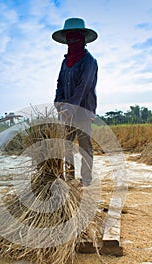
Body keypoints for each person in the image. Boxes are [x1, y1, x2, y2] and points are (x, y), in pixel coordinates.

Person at [52, 18, 98, 188]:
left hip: (83, 111)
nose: (72, 42)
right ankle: (69, 178)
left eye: (75, 38)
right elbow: (59, 84)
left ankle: (86, 180)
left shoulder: (89, 61)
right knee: (66, 145)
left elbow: (83, 87)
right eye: (69, 38)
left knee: (84, 146)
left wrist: (70, 108)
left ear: (83, 39)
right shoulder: (65, 62)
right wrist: (59, 103)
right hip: (65, 110)